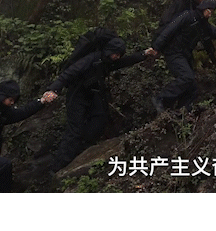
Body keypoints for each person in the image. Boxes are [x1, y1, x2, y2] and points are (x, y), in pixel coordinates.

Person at [42, 37, 153, 173]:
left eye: (119, 55)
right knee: (74, 130)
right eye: (115, 54)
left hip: (93, 94)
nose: (117, 57)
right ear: (109, 51)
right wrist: (53, 89)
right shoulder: (91, 59)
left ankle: (83, 148)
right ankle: (58, 167)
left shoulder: (109, 62)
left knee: (100, 119)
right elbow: (70, 73)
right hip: (77, 95)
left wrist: (143, 54)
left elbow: (124, 62)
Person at [148, 0, 216, 113]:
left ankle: (182, 112)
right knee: (186, 77)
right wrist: (156, 47)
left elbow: (215, 33)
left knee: (192, 87)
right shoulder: (187, 16)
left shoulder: (203, 24)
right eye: (209, 10)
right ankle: (161, 98)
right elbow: (169, 30)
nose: (210, 14)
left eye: (212, 11)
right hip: (173, 52)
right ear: (204, 8)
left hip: (185, 54)